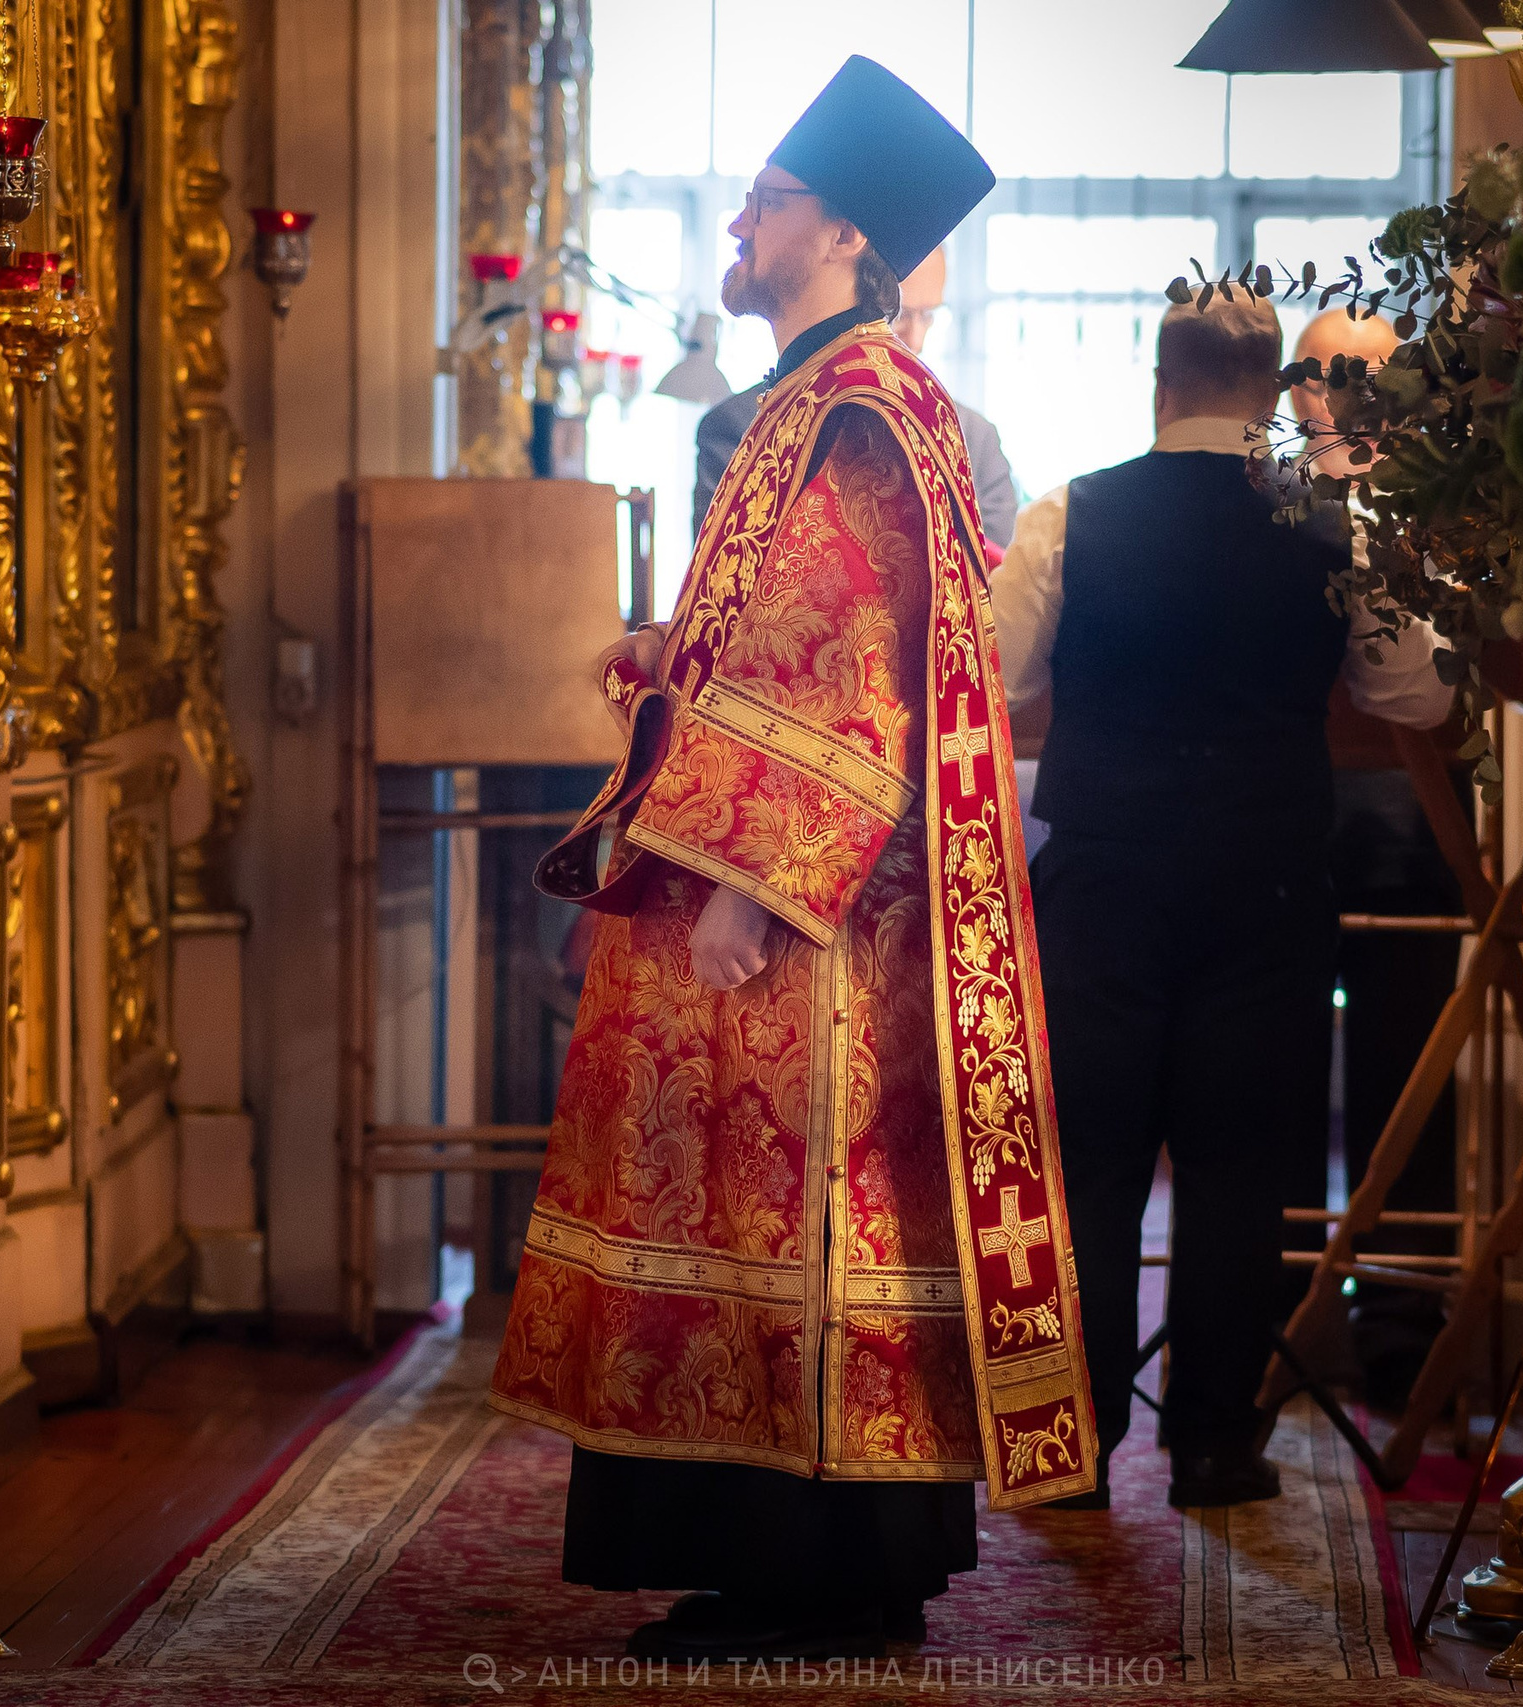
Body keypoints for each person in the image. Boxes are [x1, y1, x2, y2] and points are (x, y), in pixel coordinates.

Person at [492, 56, 1095, 1663]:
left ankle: (812, 1570)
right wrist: (674, 651)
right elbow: (779, 637)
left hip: (789, 921)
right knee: (745, 1221)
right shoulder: (816, 401)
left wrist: (761, 882)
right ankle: (797, 1566)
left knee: (799, 1226)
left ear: (841, 236)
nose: (738, 223)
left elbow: (856, 676)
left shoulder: (858, 412)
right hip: (760, 888)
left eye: (764, 201)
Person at [989, 289, 1452, 1509]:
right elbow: (1413, 696)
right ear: (1267, 399)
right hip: (1266, 868)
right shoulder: (1334, 524)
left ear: (1160, 382)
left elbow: (995, 675)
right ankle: (1211, 1443)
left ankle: (1074, 1449)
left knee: (1089, 1157)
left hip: (1104, 867)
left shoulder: (1068, 513)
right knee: (1243, 1161)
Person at [1289, 306, 1468, 1408]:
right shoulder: (1264, 499)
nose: (1325, 395)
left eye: (1349, 377)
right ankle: (1283, 1313)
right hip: (1290, 811)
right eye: (1309, 374)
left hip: (1415, 812)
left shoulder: (1438, 504)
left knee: (1412, 1079)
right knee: (1279, 1077)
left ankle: (1401, 1324)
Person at [697, 245, 1018, 549]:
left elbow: (994, 585)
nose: (916, 339)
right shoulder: (738, 427)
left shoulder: (973, 438)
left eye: (929, 315)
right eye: (902, 315)